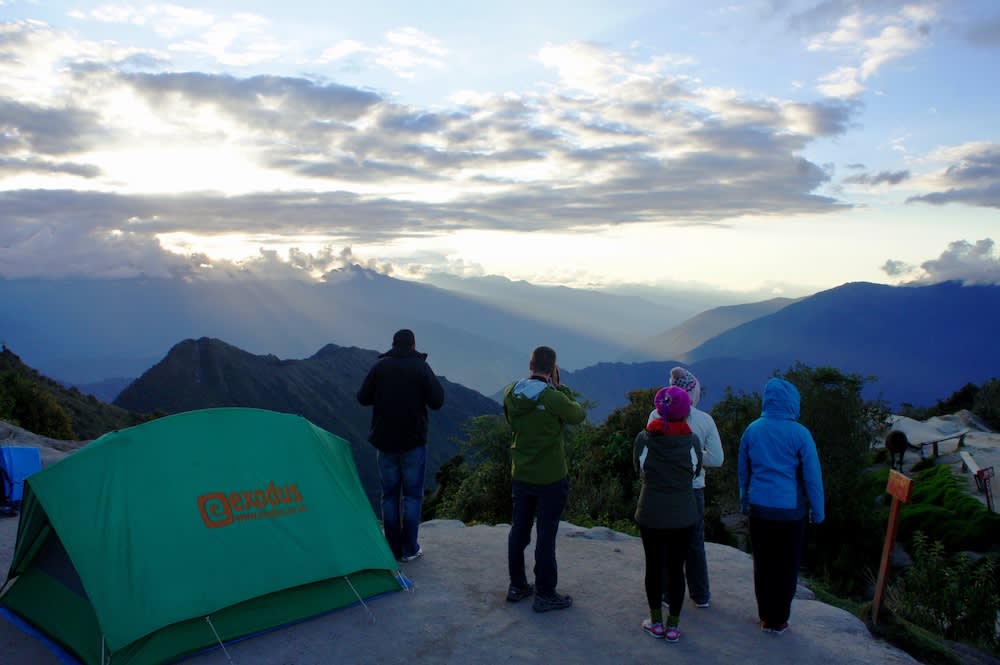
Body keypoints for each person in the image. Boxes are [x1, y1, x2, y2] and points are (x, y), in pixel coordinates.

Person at [738, 377, 825, 635]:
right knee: (787, 566)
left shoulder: (752, 430)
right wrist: (818, 512)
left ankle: (765, 616)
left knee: (763, 564)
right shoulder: (801, 434)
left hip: (759, 508)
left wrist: (744, 501)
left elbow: (744, 472)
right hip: (791, 512)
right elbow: (812, 477)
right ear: (793, 403)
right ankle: (780, 619)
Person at [503, 345, 585, 613]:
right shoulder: (554, 397)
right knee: (546, 535)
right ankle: (545, 593)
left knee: (519, 530)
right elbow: (577, 415)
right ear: (552, 369)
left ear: (530, 365)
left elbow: (510, 419)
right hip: (550, 476)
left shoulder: (511, 392)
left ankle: (517, 586)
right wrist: (561, 388)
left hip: (521, 474)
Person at [357, 329, 444, 563]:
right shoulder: (420, 368)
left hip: (384, 440)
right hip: (413, 440)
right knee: (413, 496)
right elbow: (437, 401)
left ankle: (392, 549)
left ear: (393, 344)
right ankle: (409, 548)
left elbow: (363, 397)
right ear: (413, 346)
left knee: (389, 495)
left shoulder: (380, 367)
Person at [646, 367, 723, 608]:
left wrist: (675, 456)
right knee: (694, 543)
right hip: (694, 490)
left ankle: (667, 595)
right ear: (694, 393)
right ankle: (701, 595)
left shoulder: (654, 417)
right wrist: (694, 456)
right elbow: (717, 459)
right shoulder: (705, 420)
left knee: (666, 541)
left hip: (664, 488)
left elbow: (648, 454)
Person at [634, 385, 702, 643]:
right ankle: (673, 626)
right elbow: (695, 473)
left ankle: (656, 622)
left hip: (650, 512)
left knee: (653, 567)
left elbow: (638, 468)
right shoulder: (692, 441)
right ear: (686, 413)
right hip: (683, 515)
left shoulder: (644, 439)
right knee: (676, 569)